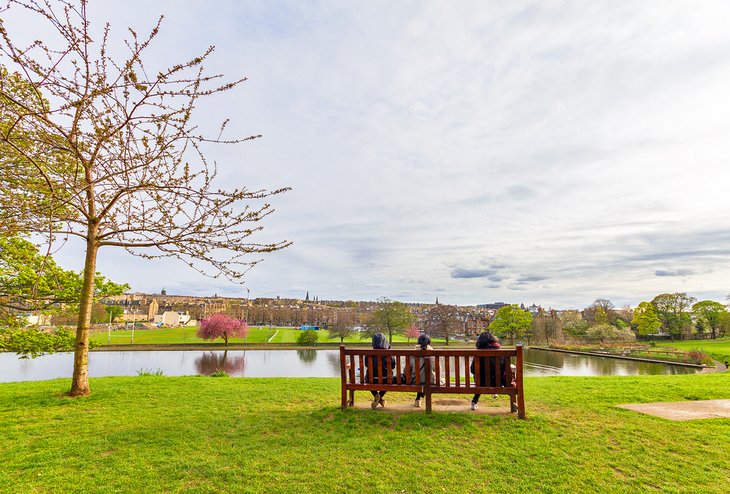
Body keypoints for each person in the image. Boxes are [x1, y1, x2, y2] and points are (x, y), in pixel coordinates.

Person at [469, 331, 511, 411]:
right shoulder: (500, 352)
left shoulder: (478, 353)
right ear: (492, 339)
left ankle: (474, 402)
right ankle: (494, 391)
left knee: (480, 378)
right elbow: (505, 368)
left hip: (481, 383)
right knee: (495, 374)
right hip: (497, 382)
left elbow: (472, 370)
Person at [364, 332, 395, 409]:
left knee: (367, 380)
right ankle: (380, 396)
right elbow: (393, 366)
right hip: (386, 380)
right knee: (390, 380)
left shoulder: (368, 354)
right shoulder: (389, 354)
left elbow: (367, 365)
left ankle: (376, 396)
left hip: (371, 380)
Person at [409, 333, 435, 408]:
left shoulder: (413, 353)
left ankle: (418, 399)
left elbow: (407, 369)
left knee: (419, 377)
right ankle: (419, 397)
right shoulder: (432, 353)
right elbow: (437, 368)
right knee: (426, 378)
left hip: (414, 380)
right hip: (430, 381)